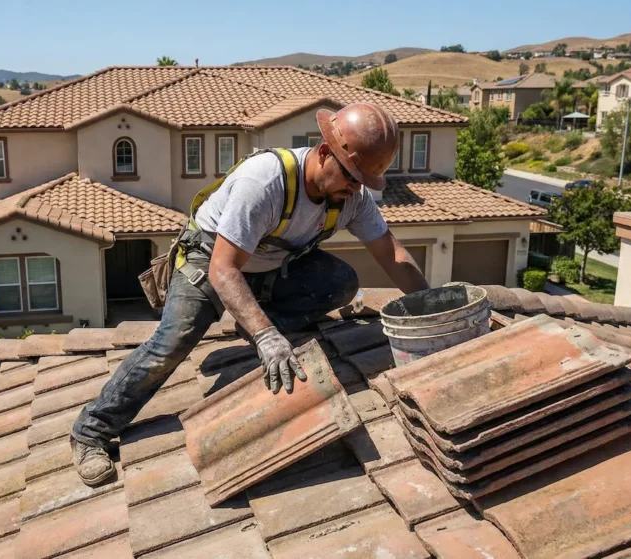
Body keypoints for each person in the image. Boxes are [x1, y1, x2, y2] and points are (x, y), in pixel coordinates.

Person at [70, 102, 430, 486]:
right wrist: (267, 337)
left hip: (271, 268)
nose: (355, 188)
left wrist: (430, 309)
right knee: (171, 343)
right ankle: (91, 430)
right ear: (324, 153)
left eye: (362, 181)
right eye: (350, 176)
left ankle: (256, 321)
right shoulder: (265, 182)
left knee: (339, 282)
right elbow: (224, 269)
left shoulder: (350, 197)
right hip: (211, 262)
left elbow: (391, 253)